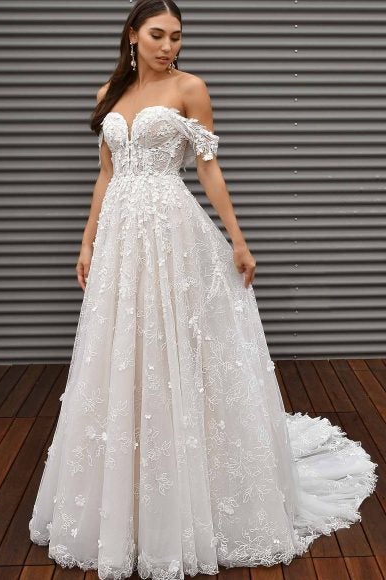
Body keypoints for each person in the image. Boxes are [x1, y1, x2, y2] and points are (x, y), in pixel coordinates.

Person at [29, 1, 378, 579]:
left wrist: (238, 240)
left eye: (177, 37)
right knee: (122, 350)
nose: (169, 47)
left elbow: (209, 168)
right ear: (133, 36)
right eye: (158, 35)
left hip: (171, 233)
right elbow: (106, 174)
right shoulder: (107, 94)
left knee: (175, 346)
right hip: (120, 237)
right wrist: (86, 242)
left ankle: (191, 480)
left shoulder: (190, 88)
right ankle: (127, 492)